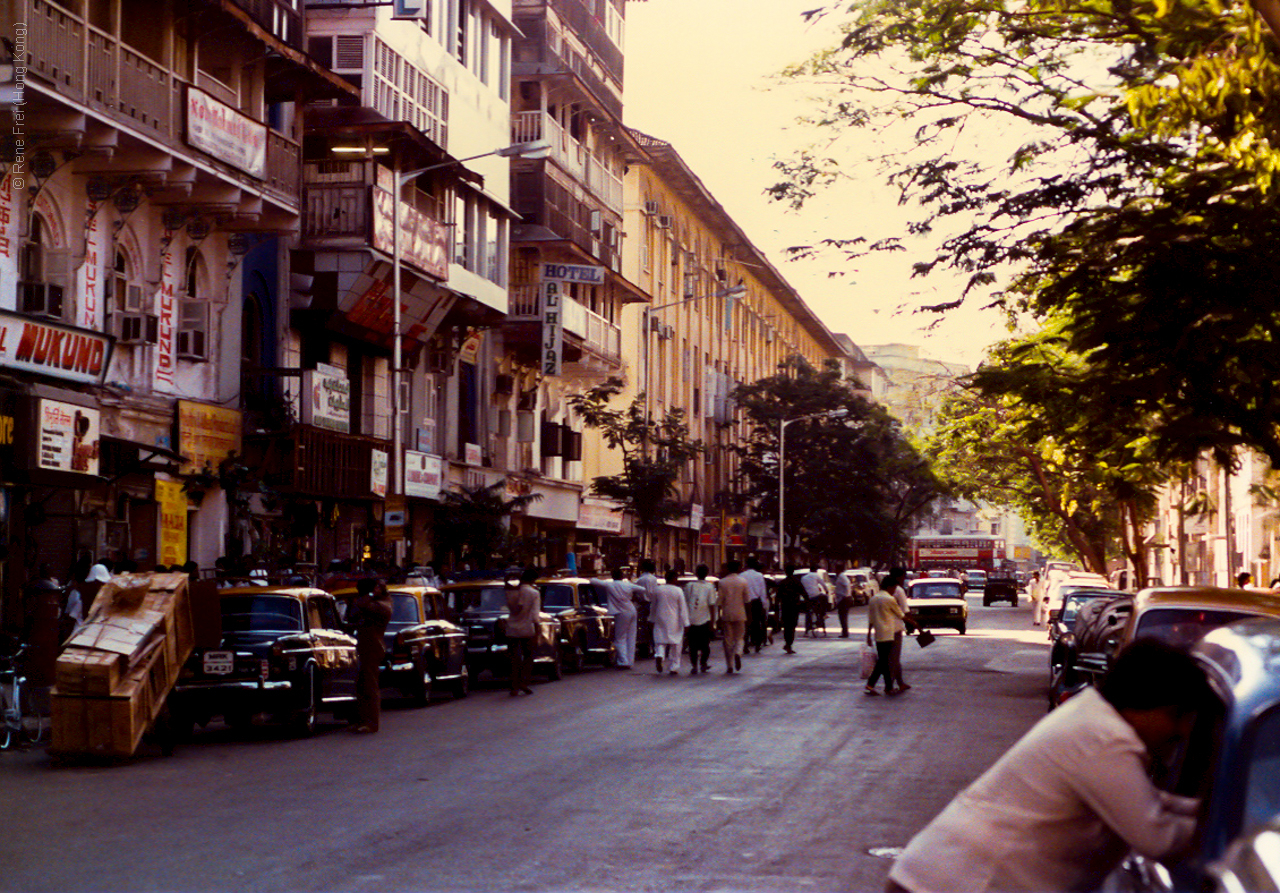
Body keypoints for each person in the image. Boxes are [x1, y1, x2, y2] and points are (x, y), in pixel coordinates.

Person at [887, 639, 1207, 892]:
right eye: (1175, 715)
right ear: (1143, 702)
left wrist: (1200, 808)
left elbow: (1148, 802)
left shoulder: (1093, 715)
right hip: (960, 882)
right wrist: (1229, 824)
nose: (1181, 731)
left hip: (941, 873)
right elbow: (1157, 837)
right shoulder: (1104, 739)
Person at [348, 576, 393, 733]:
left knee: (370, 685)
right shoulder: (377, 603)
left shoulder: (382, 605)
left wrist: (371, 594)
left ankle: (372, 722)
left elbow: (362, 604)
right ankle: (361, 719)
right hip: (365, 645)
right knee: (362, 684)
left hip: (373, 646)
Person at [591, 568, 646, 669]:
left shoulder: (610, 584)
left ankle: (623, 661)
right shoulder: (628, 584)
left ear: (612, 576)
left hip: (621, 612)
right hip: (632, 610)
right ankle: (629, 660)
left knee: (620, 637)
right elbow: (642, 589)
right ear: (622, 576)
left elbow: (593, 581)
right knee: (631, 636)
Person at [866, 575, 907, 695]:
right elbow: (901, 615)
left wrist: (868, 634)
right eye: (894, 588)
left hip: (879, 634)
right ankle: (872, 685)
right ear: (889, 587)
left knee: (883, 661)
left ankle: (887, 686)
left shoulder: (873, 599)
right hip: (889, 634)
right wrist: (915, 624)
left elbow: (871, 619)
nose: (894, 591)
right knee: (883, 662)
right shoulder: (889, 599)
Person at [505, 567, 541, 696]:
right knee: (528, 656)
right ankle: (523, 682)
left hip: (511, 628)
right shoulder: (534, 593)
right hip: (527, 628)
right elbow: (535, 615)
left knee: (514, 658)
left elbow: (511, 608)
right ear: (533, 579)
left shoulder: (511, 591)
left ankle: (514, 686)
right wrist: (538, 631)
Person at [650, 569, 691, 675]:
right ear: (674, 578)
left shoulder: (658, 590)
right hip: (674, 619)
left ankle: (659, 655)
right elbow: (683, 608)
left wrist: (651, 619)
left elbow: (653, 606)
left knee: (660, 640)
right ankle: (674, 666)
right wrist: (686, 623)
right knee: (676, 644)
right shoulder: (678, 591)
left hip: (660, 618)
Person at [886, 567, 917, 693]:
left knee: (892, 657)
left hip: (883, 627)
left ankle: (900, 682)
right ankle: (889, 686)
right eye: (903, 576)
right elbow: (905, 610)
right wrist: (914, 624)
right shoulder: (898, 590)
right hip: (895, 627)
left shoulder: (883, 590)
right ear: (899, 577)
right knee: (893, 658)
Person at [716, 560, 750, 674]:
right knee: (740, 637)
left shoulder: (722, 582)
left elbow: (719, 601)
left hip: (727, 613)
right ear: (739, 568)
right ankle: (738, 652)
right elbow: (747, 600)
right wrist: (748, 615)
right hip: (740, 613)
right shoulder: (743, 582)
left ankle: (729, 665)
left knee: (728, 640)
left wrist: (718, 616)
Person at [683, 565, 716, 674]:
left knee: (692, 645)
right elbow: (712, 605)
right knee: (705, 645)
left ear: (696, 573)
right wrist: (713, 622)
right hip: (705, 620)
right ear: (706, 574)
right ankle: (703, 663)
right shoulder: (709, 587)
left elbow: (685, 603)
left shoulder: (689, 586)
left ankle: (694, 665)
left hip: (690, 620)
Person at [775, 566, 807, 654]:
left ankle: (787, 643)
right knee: (792, 626)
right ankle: (789, 644)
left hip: (785, 606)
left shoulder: (782, 582)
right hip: (794, 606)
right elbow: (804, 593)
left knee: (786, 626)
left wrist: (776, 606)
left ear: (786, 572)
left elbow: (778, 595)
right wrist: (807, 602)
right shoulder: (796, 582)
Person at [741, 556, 769, 653]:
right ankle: (757, 644)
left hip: (744, 602)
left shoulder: (741, 575)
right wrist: (764, 605)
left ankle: (745, 646)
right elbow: (762, 591)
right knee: (756, 624)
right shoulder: (759, 576)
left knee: (745, 624)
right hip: (756, 602)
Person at [801, 568, 828, 636]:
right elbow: (823, 584)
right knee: (824, 597)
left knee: (808, 613)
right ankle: (824, 614)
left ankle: (807, 630)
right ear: (816, 571)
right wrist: (826, 591)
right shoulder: (816, 576)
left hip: (807, 597)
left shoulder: (803, 578)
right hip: (816, 596)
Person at [834, 565, 854, 638]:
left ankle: (845, 633)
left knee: (843, 616)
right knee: (842, 617)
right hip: (843, 598)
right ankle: (844, 632)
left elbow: (847, 586)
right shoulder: (841, 577)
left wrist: (845, 595)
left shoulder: (842, 577)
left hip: (844, 599)